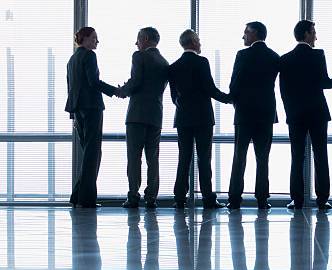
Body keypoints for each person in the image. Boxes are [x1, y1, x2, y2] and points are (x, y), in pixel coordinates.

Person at [280, 20, 332, 210]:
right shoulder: (318, 55)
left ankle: (297, 200)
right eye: (314, 32)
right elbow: (323, 82)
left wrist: (290, 111)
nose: (316, 36)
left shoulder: (285, 59)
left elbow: (283, 90)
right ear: (307, 34)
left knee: (297, 157)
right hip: (317, 113)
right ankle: (322, 199)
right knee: (321, 155)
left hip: (295, 115)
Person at [168, 29, 232, 209]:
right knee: (204, 158)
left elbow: (174, 97)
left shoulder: (173, 67)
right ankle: (208, 198)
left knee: (184, 158)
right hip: (203, 117)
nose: (200, 44)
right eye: (199, 40)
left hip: (183, 118)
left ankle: (180, 198)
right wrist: (229, 99)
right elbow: (210, 89)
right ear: (194, 42)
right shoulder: (202, 62)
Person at [65, 27, 121, 208]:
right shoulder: (89, 56)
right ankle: (87, 199)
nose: (97, 41)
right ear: (85, 39)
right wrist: (115, 91)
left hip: (78, 110)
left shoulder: (72, 59)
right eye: (94, 38)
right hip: (91, 108)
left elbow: (71, 88)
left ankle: (77, 196)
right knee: (93, 153)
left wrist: (73, 112)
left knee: (89, 152)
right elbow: (94, 82)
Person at [227, 22, 280, 210]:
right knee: (263, 158)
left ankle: (234, 199)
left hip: (244, 113)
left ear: (255, 33)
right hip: (266, 113)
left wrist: (234, 102)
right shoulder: (274, 57)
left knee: (239, 157)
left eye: (246, 33)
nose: (243, 36)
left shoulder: (243, 55)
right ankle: (262, 199)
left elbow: (235, 83)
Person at [118, 27, 169, 209]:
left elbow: (136, 80)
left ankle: (133, 196)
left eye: (138, 39)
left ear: (145, 38)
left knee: (134, 157)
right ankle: (151, 198)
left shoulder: (139, 56)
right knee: (152, 158)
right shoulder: (164, 62)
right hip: (156, 115)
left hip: (137, 115)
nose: (136, 43)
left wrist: (122, 91)